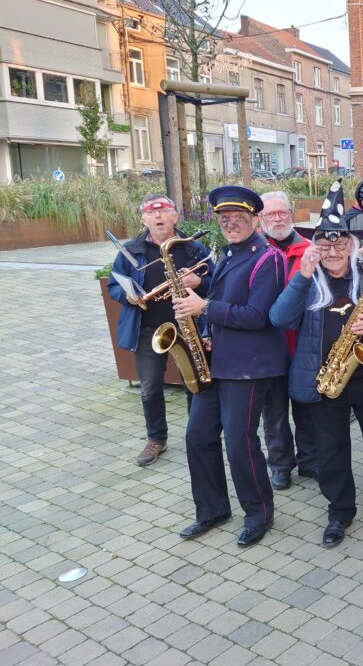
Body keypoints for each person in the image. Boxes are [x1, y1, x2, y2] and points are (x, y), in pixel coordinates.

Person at [270, 180, 363, 548]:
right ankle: (340, 512)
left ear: (351, 245)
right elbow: (279, 318)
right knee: (331, 456)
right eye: (324, 244)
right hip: (325, 385)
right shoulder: (306, 282)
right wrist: (301, 276)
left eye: (339, 244)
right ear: (315, 246)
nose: (332, 251)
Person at [174, 185, 289, 547]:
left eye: (239, 219)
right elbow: (229, 294)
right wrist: (203, 285)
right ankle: (212, 509)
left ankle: (259, 514)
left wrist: (203, 307)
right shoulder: (228, 253)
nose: (232, 224)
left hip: (250, 366)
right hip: (220, 362)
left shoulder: (268, 258)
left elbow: (259, 316)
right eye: (226, 219)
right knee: (198, 436)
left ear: (255, 220)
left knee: (239, 443)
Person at [107, 195, 210, 466]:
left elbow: (214, 282)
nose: (158, 216)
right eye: (151, 213)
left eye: (164, 211)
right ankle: (156, 438)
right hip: (148, 328)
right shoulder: (131, 251)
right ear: (143, 219)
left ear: (175, 216)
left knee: (195, 383)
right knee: (150, 387)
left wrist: (198, 279)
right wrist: (127, 296)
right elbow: (114, 285)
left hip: (187, 326)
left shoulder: (192, 247)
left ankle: (198, 434)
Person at [258, 190, 317, 489]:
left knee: (306, 405)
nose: (278, 219)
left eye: (282, 213)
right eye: (271, 214)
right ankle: (280, 463)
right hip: (268, 345)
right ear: (261, 219)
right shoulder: (255, 251)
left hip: (303, 342)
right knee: (275, 409)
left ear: (292, 214)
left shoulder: (309, 249)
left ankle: (309, 459)